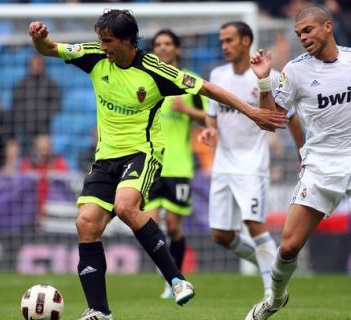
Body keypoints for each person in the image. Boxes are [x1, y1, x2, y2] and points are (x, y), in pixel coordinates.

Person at [28, 9, 286, 320]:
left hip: (142, 153)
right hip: (104, 158)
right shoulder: (94, 56)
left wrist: (252, 112)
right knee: (86, 224)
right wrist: (39, 39)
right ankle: (99, 311)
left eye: (108, 41)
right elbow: (51, 49)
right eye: (101, 40)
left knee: (125, 207)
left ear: (127, 40)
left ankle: (176, 279)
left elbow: (207, 88)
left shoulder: (154, 70)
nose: (103, 46)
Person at [245, 5, 351, 320]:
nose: (303, 37)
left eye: (307, 30)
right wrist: (265, 81)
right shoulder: (295, 71)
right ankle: (275, 299)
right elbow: (270, 118)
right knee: (289, 248)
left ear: (328, 27)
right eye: (298, 34)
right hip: (320, 163)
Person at [198, 21, 303, 299]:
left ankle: (273, 291)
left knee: (254, 224)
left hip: (252, 164)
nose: (224, 46)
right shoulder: (217, 74)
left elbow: (290, 117)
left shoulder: (269, 76)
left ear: (246, 41)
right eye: (222, 41)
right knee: (221, 235)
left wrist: (302, 151)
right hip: (223, 162)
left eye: (229, 40)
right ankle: (267, 264)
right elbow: (212, 112)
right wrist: (209, 128)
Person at [144, 29, 207, 299]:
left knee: (173, 226)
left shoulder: (188, 82)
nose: (163, 48)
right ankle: (169, 273)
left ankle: (175, 280)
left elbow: (208, 119)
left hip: (178, 166)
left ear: (177, 49)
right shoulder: (145, 80)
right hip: (149, 164)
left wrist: (187, 110)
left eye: (168, 43)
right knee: (147, 223)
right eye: (158, 44)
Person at [12, 53, 61, 155]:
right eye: (33, 63)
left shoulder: (51, 84)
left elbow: (56, 105)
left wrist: (42, 116)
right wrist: (25, 118)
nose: (36, 66)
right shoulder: (21, 84)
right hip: (25, 128)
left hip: (44, 129)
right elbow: (16, 105)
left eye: (38, 63)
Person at [19, 134, 69, 217]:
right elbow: (23, 179)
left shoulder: (59, 161)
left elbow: (63, 178)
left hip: (52, 206)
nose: (43, 153)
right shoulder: (28, 162)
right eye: (40, 150)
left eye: (46, 149)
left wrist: (51, 165)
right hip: (30, 208)